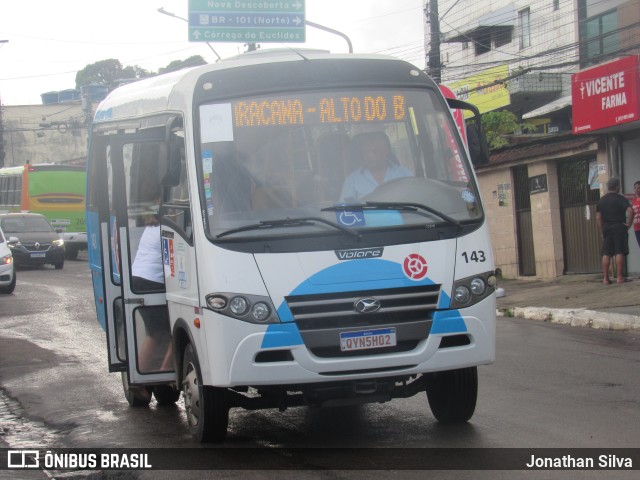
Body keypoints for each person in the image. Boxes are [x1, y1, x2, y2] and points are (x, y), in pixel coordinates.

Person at [131, 213, 173, 372]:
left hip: (137, 277)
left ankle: (142, 375)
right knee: (173, 329)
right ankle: (166, 369)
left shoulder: (151, 226)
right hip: (152, 280)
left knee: (154, 332)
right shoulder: (165, 228)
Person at [340, 131, 412, 202]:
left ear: (385, 151)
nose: (370, 155)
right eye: (366, 152)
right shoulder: (352, 180)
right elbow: (345, 211)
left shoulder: (405, 174)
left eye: (375, 151)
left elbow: (415, 202)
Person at [596, 177, 633, 285]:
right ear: (617, 186)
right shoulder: (620, 198)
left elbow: (598, 217)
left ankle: (606, 279)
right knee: (619, 251)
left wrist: (602, 230)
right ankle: (620, 277)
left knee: (606, 253)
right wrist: (629, 224)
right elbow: (630, 210)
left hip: (607, 229)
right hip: (619, 228)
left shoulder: (601, 200)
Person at [631, 180, 640, 249]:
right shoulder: (633, 201)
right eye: (635, 188)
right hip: (637, 228)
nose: (636, 190)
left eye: (638, 188)